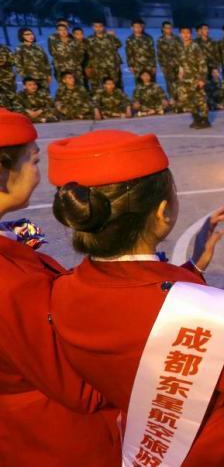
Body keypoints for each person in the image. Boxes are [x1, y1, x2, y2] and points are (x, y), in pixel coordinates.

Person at [46, 129, 224, 466]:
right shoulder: (197, 310)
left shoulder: (63, 290)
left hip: (149, 446)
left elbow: (137, 304)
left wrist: (192, 267)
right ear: (163, 212)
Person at [0, 109, 119, 465]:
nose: (41, 175)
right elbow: (79, 388)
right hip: (54, 437)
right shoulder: (11, 283)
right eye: (33, 160)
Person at [177, 26, 211, 129]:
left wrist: (202, 79)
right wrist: (180, 72)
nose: (186, 35)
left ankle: (205, 120)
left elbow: (202, 63)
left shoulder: (195, 46)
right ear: (180, 34)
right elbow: (181, 63)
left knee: (200, 99)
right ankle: (196, 118)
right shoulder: (181, 47)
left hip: (196, 78)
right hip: (185, 79)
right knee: (186, 99)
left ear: (191, 34)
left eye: (188, 33)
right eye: (183, 33)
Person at [86, 21, 123, 91]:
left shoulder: (110, 37)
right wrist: (89, 67)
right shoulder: (89, 39)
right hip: (98, 67)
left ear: (103, 27)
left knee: (115, 85)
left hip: (112, 66)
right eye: (96, 26)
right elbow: (88, 54)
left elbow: (119, 45)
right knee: (100, 86)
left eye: (100, 26)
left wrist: (114, 36)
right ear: (93, 28)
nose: (98, 28)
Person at [14, 28, 53, 94]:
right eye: (27, 34)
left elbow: (46, 61)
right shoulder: (19, 49)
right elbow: (18, 66)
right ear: (22, 36)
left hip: (43, 78)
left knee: (45, 98)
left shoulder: (38, 47)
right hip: (31, 81)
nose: (31, 36)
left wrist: (49, 75)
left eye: (31, 34)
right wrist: (26, 80)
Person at [157, 21, 182, 100]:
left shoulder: (177, 39)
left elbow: (181, 51)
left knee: (179, 82)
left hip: (177, 64)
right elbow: (159, 54)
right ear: (163, 29)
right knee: (169, 83)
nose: (168, 29)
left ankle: (181, 99)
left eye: (170, 28)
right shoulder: (160, 40)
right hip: (166, 65)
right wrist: (161, 65)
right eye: (166, 28)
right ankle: (172, 99)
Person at [0, 44, 17, 110]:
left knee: (12, 97)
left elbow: (14, 61)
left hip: (7, 79)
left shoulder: (4, 48)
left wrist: (5, 61)